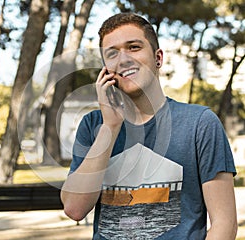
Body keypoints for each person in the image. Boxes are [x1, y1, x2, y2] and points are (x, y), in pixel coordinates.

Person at [60, 12, 238, 239]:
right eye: (112, 53)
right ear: (106, 69)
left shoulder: (200, 123)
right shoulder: (93, 125)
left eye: (134, 47)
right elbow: (75, 209)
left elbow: (225, 224)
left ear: (158, 58)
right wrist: (110, 127)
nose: (123, 59)